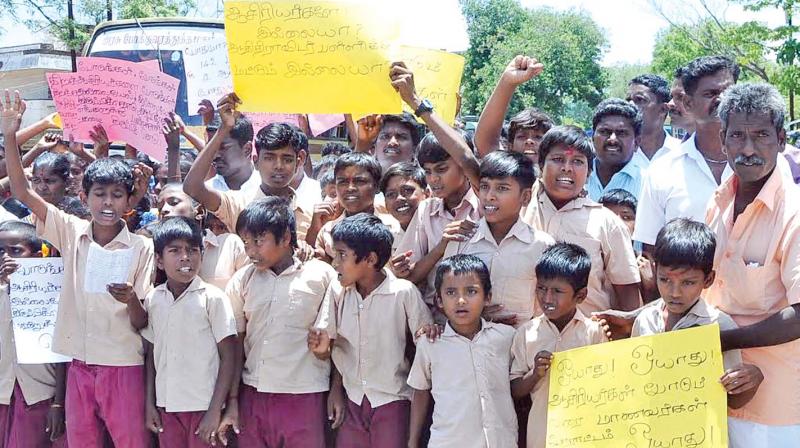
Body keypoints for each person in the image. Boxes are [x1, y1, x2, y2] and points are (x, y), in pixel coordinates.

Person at [1, 90, 154, 447]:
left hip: (122, 367)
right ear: (84, 197)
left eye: (117, 194)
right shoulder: (70, 231)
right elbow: (23, 192)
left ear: (130, 201)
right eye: (99, 193)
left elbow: (143, 320)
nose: (107, 202)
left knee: (129, 441)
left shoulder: (141, 246)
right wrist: (10, 135)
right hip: (78, 365)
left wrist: (130, 299)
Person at [704, 83, 800, 445]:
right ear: (723, 139)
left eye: (761, 135)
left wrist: (721, 340)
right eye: (738, 136)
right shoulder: (717, 202)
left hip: (775, 412)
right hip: (711, 395)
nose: (748, 149)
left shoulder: (795, 212)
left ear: (780, 139)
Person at [309, 213, 433, 448]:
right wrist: (323, 356)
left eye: (342, 255)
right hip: (352, 399)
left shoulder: (403, 293)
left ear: (370, 259)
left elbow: (425, 347)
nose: (335, 263)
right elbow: (328, 345)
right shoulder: (338, 290)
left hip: (392, 400)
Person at [224, 198, 337, 447]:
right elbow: (236, 343)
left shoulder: (321, 275)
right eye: (245, 242)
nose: (251, 251)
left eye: (258, 241)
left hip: (305, 394)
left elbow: (339, 341)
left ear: (285, 238)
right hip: (253, 393)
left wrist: (336, 389)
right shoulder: (243, 280)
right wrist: (233, 399)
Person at [630, 219, 763, 420]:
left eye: (688, 282)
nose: (675, 292)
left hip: (697, 433)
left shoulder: (719, 325)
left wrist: (749, 380)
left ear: (708, 279)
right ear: (655, 271)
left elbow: (733, 400)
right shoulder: (645, 320)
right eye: (665, 280)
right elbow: (633, 382)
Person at [523, 125, 641, 314]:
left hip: (587, 339)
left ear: (588, 173)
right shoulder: (519, 209)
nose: (567, 168)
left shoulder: (607, 224)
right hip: (525, 339)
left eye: (577, 161)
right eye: (558, 159)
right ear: (541, 165)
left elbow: (628, 298)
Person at [143, 217, 238, 447]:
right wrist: (150, 403)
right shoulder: (154, 299)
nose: (185, 257)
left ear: (202, 255)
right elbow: (152, 357)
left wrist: (215, 410)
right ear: (159, 261)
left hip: (204, 406)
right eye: (175, 251)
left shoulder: (213, 298)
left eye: (192, 250)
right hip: (168, 406)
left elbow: (229, 357)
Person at [407, 254, 517, 448]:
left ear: (487, 297)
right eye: (450, 292)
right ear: (439, 301)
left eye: (471, 291)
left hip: (499, 442)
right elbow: (420, 390)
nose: (460, 300)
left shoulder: (506, 338)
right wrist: (413, 440)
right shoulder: (431, 343)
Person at [510, 243, 609, 448]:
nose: (547, 299)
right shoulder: (526, 333)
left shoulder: (594, 332)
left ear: (580, 296)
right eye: (541, 289)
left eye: (557, 291)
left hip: (584, 435)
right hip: (541, 436)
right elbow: (515, 389)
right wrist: (535, 373)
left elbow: (606, 386)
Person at [634, 55, 739, 247]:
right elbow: (650, 252)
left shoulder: (766, 164)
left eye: (729, 91)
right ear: (689, 104)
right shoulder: (662, 170)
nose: (722, 99)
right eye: (711, 93)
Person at [442, 150, 554, 328]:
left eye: (502, 188)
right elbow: (444, 296)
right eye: (485, 187)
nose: (489, 196)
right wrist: (475, 316)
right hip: (470, 343)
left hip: (520, 346)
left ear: (525, 197)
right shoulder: (461, 239)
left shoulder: (542, 246)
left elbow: (547, 307)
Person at [183, 93, 312, 243]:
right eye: (269, 158)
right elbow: (192, 187)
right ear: (256, 161)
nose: (278, 166)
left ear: (299, 161)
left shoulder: (308, 209)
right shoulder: (238, 204)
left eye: (287, 159)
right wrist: (223, 130)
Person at [393, 130, 481, 316]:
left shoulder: (485, 206)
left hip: (479, 318)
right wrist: (441, 247)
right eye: (427, 172)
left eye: (441, 169)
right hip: (435, 320)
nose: (433, 179)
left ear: (464, 167)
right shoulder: (426, 209)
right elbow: (412, 276)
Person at [0, 221, 67, 448]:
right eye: (1, 252)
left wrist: (58, 403)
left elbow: (62, 355)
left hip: (39, 394)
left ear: (38, 256)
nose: (6, 258)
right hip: (2, 392)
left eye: (15, 251)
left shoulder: (51, 296)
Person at [309, 152, 401, 261]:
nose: (350, 188)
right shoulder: (327, 232)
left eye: (360, 181)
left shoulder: (395, 228)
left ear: (376, 186)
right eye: (343, 182)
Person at [156, 183, 248, 291]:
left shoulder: (230, 245)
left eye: (174, 203)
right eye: (160, 207)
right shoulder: (156, 253)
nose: (164, 210)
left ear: (199, 211)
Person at [473, 55, 548, 163]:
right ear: (510, 146)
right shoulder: (504, 172)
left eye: (538, 137)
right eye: (521, 136)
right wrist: (507, 82)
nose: (529, 141)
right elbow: (486, 141)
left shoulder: (559, 176)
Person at [599, 189, 657, 302]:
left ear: (638, 225)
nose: (618, 224)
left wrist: (650, 286)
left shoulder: (646, 264)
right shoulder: (592, 259)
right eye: (610, 218)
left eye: (626, 218)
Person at [587, 98, 646, 201]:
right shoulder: (575, 175)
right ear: (592, 137)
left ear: (636, 142)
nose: (612, 139)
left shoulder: (648, 183)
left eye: (621, 133)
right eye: (605, 131)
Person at [627, 74, 682, 165]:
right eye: (628, 100)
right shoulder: (619, 153)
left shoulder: (682, 153)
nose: (630, 106)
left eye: (640, 100)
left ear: (663, 109)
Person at [204, 115, 260, 193]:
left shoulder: (268, 187)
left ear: (247, 149)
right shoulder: (206, 192)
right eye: (211, 147)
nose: (215, 155)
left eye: (223, 148)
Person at [354, 113, 420, 174]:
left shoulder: (424, 184)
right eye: (385, 136)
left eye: (401, 137)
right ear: (374, 147)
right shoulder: (357, 184)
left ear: (414, 149)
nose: (392, 142)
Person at [379, 162, 428, 235]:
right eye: (391, 194)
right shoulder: (387, 239)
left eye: (407, 190)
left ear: (426, 194)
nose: (399, 198)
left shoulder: (443, 230)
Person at [288, 125, 323, 213]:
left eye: (285, 158)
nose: (277, 165)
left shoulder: (321, 194)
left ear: (301, 157)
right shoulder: (250, 193)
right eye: (269, 158)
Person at [667, 66, 696, 139]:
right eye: (671, 97)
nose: (670, 104)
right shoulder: (678, 149)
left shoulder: (725, 148)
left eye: (680, 97)